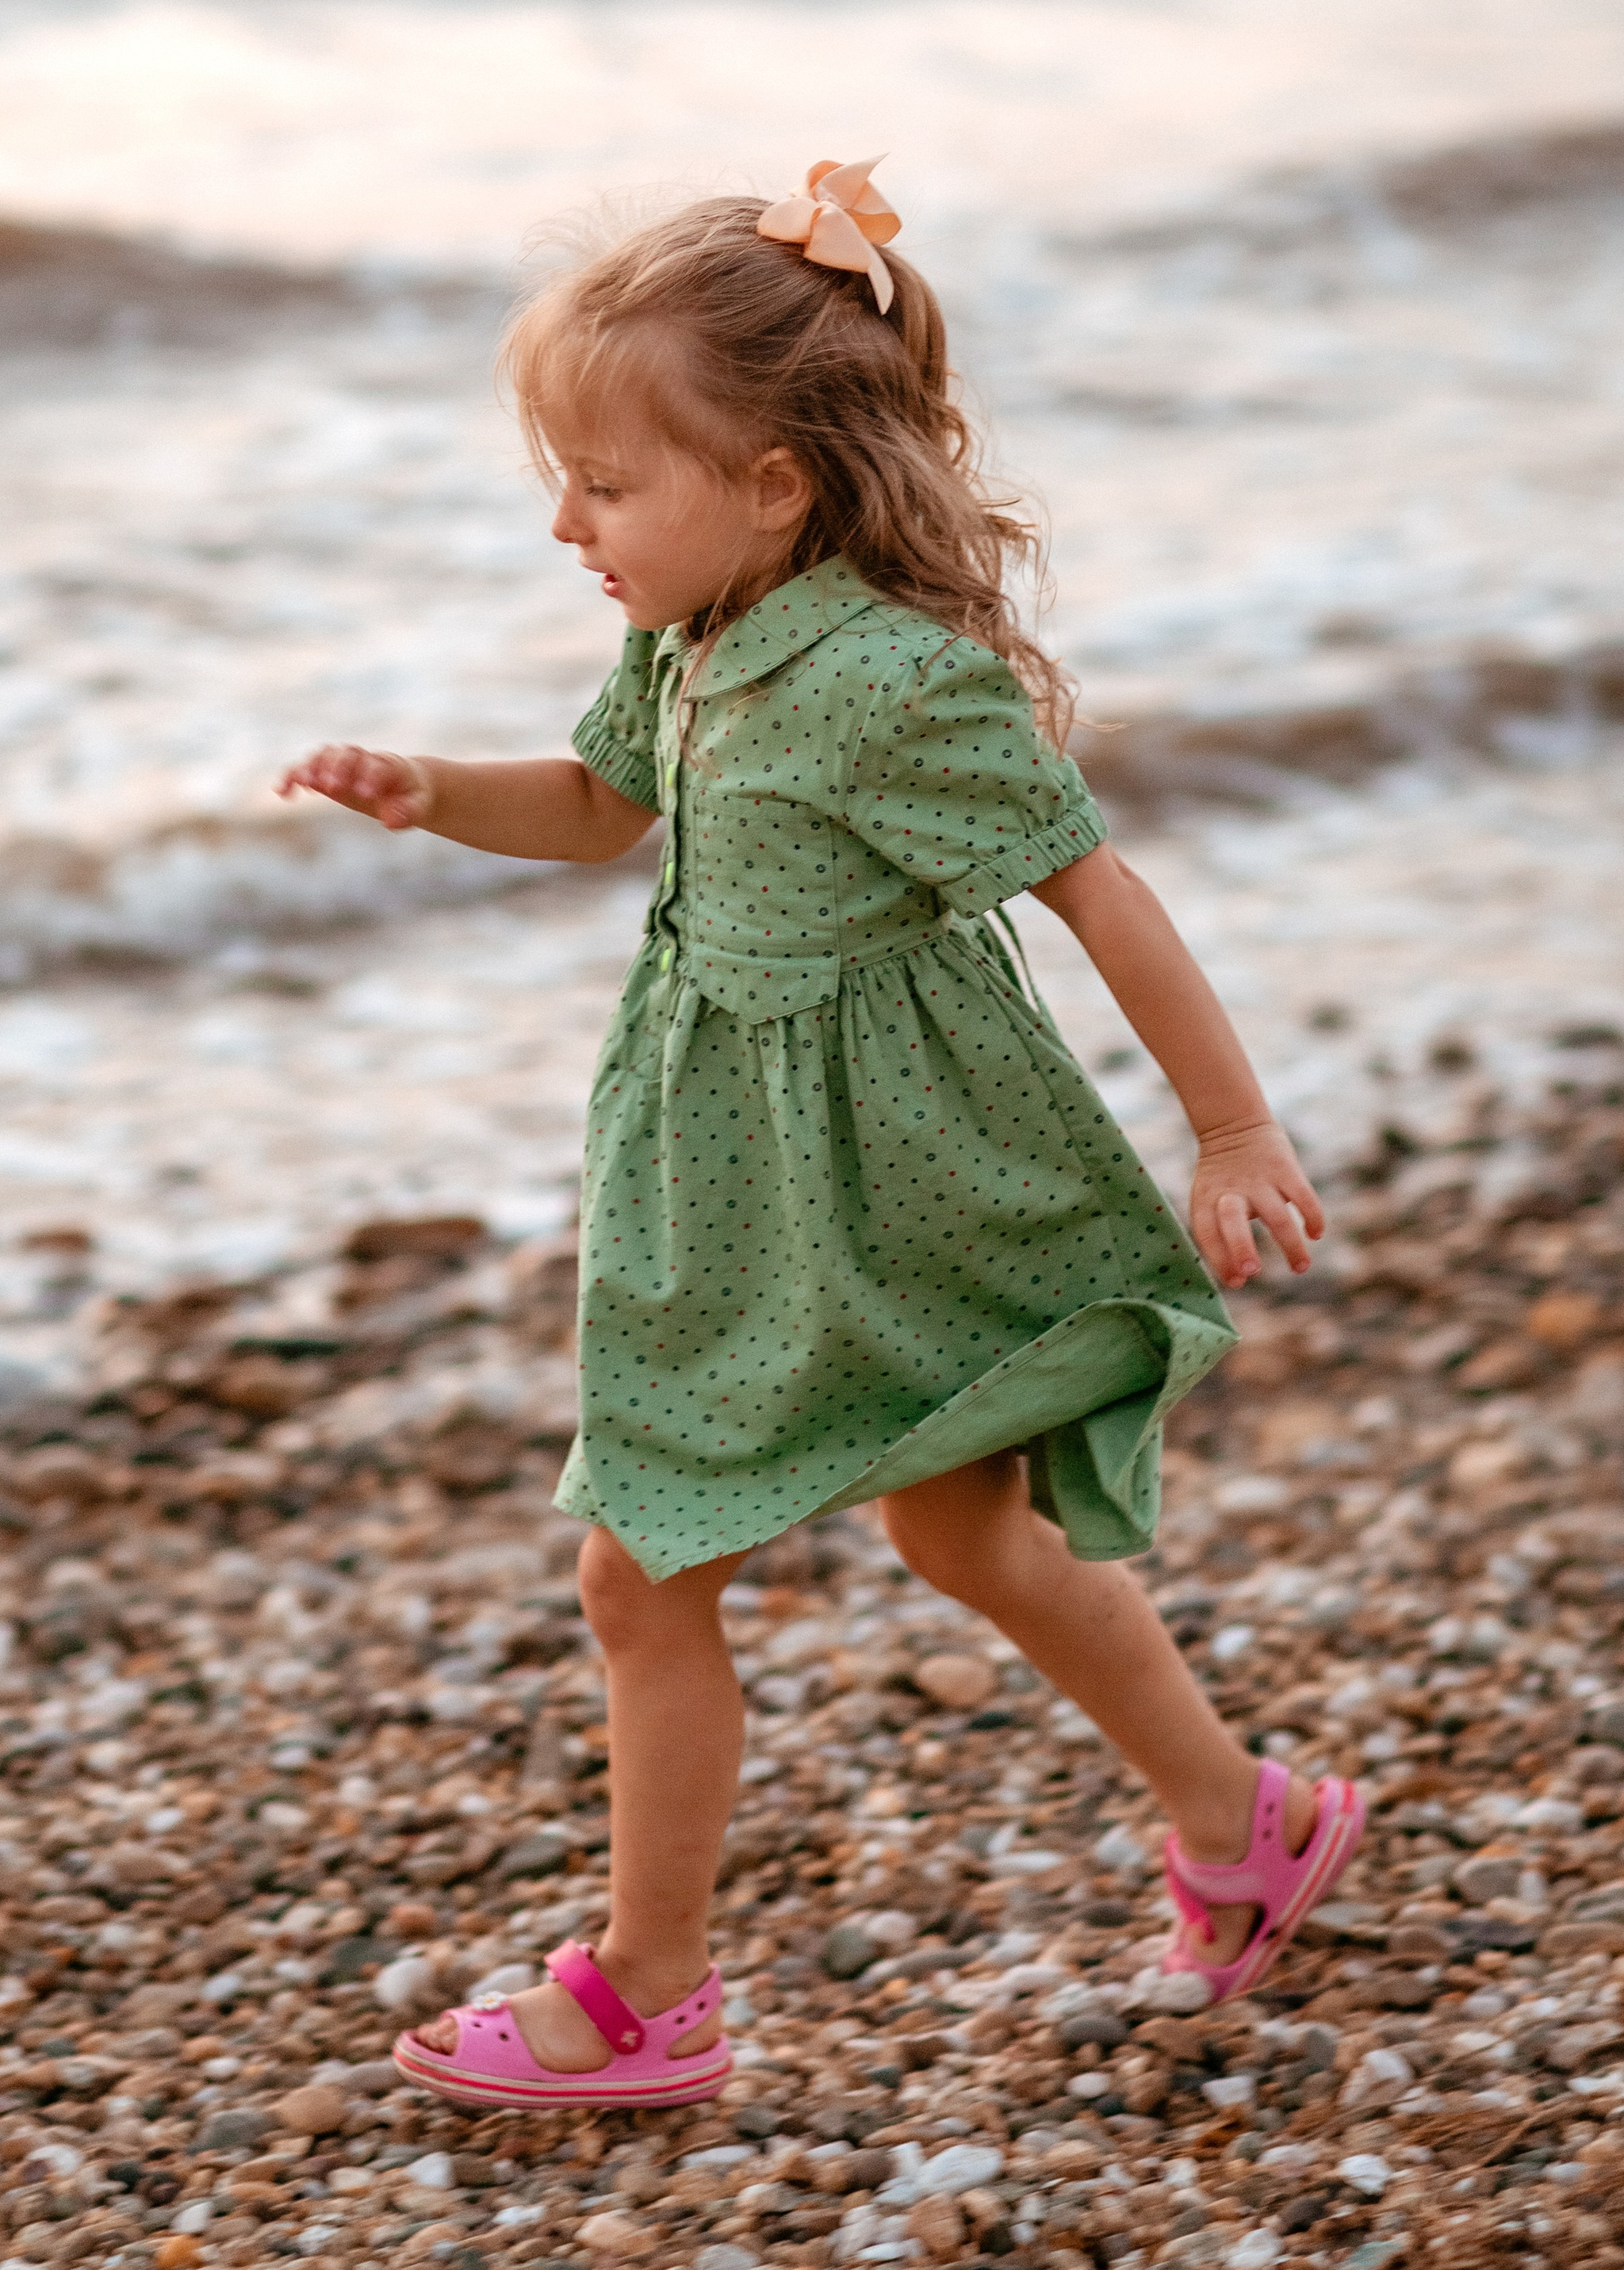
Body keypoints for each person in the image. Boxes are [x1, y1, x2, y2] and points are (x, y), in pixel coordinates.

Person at [278, 157, 1362, 2110]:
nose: (566, 522)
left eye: (606, 484)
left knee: (651, 1568)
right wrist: (431, 789)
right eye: (564, 480)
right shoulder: (687, 637)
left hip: (892, 1179)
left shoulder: (890, 679)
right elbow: (604, 809)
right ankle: (1245, 1815)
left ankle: (643, 1990)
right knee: (962, 1536)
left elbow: (1093, 891)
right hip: (728, 1174)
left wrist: (1230, 1128)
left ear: (773, 482)